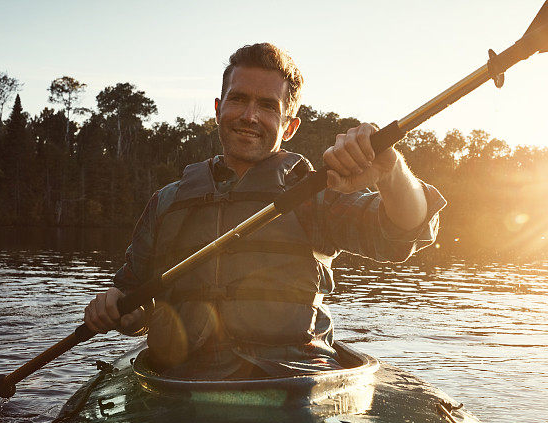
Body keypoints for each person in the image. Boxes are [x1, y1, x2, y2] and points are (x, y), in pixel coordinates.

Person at [84, 43, 445, 378]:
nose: (250, 116)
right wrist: (120, 309)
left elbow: (404, 229)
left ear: (290, 126)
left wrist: (391, 169)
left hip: (291, 386)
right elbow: (136, 304)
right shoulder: (167, 202)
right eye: (238, 99)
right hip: (181, 385)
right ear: (218, 109)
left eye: (268, 105)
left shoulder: (317, 194)